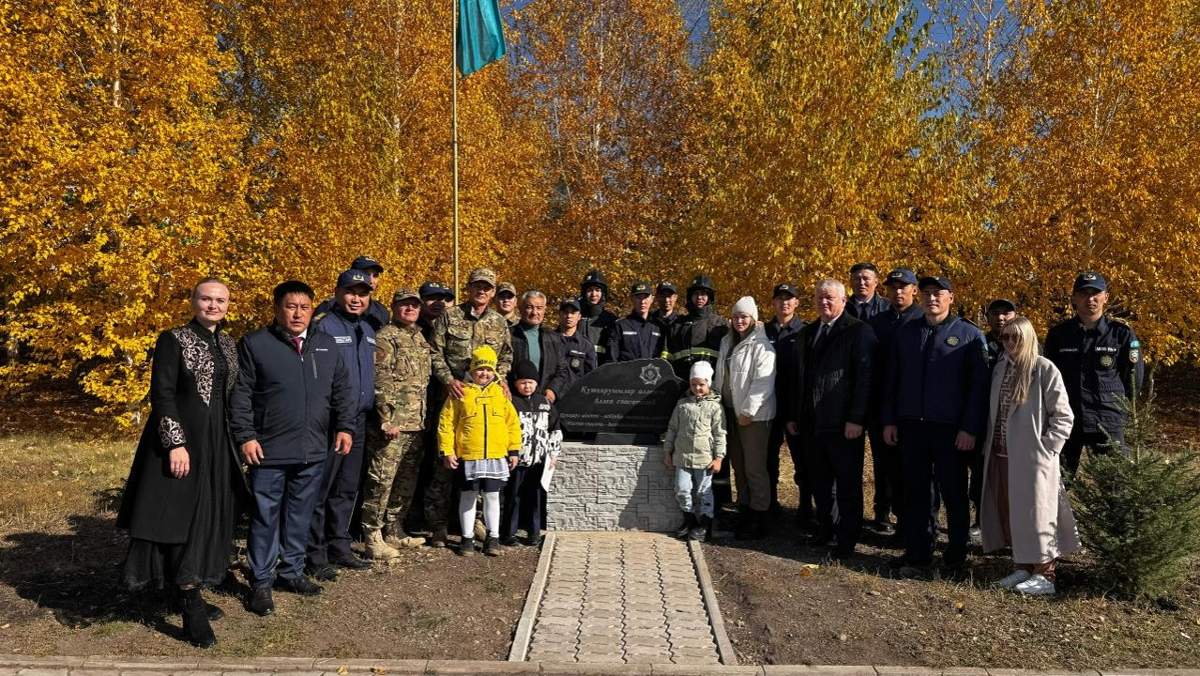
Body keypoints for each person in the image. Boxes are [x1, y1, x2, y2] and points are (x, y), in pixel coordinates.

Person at [116, 279, 243, 648]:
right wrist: (175, 443)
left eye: (220, 300)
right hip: (181, 444)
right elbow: (163, 395)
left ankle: (190, 586)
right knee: (176, 518)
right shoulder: (173, 339)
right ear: (193, 301)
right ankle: (189, 603)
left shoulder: (229, 344)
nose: (213, 305)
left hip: (218, 445)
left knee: (206, 516)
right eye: (206, 298)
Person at [230, 280, 354, 616]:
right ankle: (261, 581)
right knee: (265, 516)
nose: (297, 313)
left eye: (304, 307)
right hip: (268, 449)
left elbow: (342, 390)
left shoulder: (326, 345)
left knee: (300, 514)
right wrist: (246, 435)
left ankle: (292, 571)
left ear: (313, 310)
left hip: (313, 449)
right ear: (276, 308)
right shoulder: (256, 344)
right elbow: (241, 394)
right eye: (290, 306)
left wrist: (345, 426)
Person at [882, 276, 989, 577]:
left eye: (938, 294)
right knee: (916, 493)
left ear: (951, 298)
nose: (931, 299)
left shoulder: (969, 335)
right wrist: (890, 419)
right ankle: (919, 552)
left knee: (953, 493)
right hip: (912, 427)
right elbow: (892, 379)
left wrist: (969, 428)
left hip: (951, 431)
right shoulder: (906, 333)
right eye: (926, 294)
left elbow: (978, 388)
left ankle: (956, 554)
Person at [980, 316, 1079, 596]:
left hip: (1033, 458)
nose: (1010, 342)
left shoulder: (1044, 369)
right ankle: (1022, 566)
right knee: (1011, 511)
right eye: (1005, 337)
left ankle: (1045, 574)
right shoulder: (1000, 367)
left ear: (1029, 338)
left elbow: (1063, 416)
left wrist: (1048, 449)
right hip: (1001, 453)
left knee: (1039, 514)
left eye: (1016, 337)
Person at [787, 280, 875, 559]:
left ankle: (846, 539)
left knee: (847, 485)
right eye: (820, 298)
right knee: (819, 482)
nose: (824, 302)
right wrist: (795, 415)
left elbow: (865, 379)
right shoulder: (809, 333)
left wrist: (856, 418)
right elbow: (800, 378)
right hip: (813, 422)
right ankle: (825, 530)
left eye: (830, 298)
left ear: (843, 300)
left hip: (843, 423)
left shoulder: (858, 331)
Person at [427, 268, 514, 546]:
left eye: (487, 287)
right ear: (469, 288)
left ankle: (475, 524)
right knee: (444, 466)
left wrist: (499, 380)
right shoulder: (449, 317)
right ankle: (438, 526)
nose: (482, 291)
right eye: (477, 286)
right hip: (454, 398)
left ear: (492, 291)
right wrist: (448, 379)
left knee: (482, 468)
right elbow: (434, 352)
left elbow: (506, 357)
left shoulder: (499, 322)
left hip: (487, 402)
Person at [306, 269, 377, 580]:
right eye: (351, 291)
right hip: (331, 422)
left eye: (363, 293)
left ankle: (340, 545)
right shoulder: (323, 326)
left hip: (359, 419)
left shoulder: (368, 328)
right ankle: (315, 553)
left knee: (347, 488)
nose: (357, 298)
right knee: (322, 488)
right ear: (337, 292)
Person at [1045, 272, 1144, 482]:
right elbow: (1048, 377)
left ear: (1105, 297)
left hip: (1107, 420)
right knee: (1057, 483)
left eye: (1095, 293)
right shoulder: (1059, 335)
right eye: (1083, 293)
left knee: (1114, 484)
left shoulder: (1121, 334)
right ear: (1073, 298)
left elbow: (1133, 380)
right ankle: (1056, 517)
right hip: (1067, 419)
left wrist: (1119, 409)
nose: (1090, 299)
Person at [361, 288, 436, 561]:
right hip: (392, 426)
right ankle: (372, 536)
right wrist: (386, 419)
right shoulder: (385, 338)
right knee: (380, 481)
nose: (410, 309)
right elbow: (380, 381)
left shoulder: (419, 338)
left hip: (416, 424)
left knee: (406, 480)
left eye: (414, 305)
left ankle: (395, 528)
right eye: (404, 305)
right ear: (394, 307)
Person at [438, 346, 522, 557]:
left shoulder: (501, 394)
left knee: (492, 496)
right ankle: (467, 538)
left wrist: (513, 450)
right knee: (468, 496)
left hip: (495, 455)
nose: (484, 373)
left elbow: (512, 423)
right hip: (469, 455)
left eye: (489, 369)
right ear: (472, 370)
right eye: (480, 369)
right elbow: (446, 423)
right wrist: (447, 450)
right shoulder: (461, 393)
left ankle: (493, 537)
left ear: (494, 371)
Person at [866, 268, 923, 537]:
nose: (898, 291)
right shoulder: (878, 322)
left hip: (914, 409)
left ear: (914, 290)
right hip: (883, 407)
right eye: (893, 287)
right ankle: (882, 511)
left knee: (911, 468)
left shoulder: (924, 320)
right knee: (884, 464)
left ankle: (909, 520)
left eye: (904, 286)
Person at [713, 296, 776, 539]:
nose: (739, 321)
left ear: (754, 319)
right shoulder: (727, 341)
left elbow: (763, 383)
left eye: (744, 317)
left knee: (754, 468)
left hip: (754, 417)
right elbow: (722, 376)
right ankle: (745, 510)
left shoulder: (762, 346)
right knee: (738, 466)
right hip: (730, 412)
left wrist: (748, 412)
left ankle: (761, 517)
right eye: (736, 316)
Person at [407, 281, 454, 537]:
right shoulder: (412, 329)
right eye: (433, 298)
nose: (440, 303)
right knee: (413, 466)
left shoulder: (450, 327)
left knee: (441, 467)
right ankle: (412, 518)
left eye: (446, 298)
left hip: (442, 408)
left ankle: (438, 520)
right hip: (414, 410)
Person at [501, 359, 563, 547]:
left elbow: (555, 429)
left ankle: (533, 533)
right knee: (513, 496)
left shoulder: (544, 403)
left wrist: (553, 454)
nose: (527, 386)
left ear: (536, 383)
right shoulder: (511, 403)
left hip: (539, 461)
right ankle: (508, 533)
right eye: (522, 382)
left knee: (535, 497)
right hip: (517, 460)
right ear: (515, 384)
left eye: (530, 382)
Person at [664, 361, 726, 542]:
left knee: (703, 492)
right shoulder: (682, 405)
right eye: (693, 384)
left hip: (704, 458)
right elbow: (672, 429)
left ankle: (705, 524)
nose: (697, 388)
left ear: (709, 383)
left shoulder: (715, 407)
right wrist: (668, 452)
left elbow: (720, 433)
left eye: (701, 384)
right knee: (682, 489)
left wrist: (719, 457)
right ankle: (688, 520)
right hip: (682, 457)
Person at [764, 282, 807, 520]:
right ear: (773, 303)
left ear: (796, 303)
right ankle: (770, 505)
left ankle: (804, 508)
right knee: (768, 459)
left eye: (789, 298)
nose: (784, 303)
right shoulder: (762, 331)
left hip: (795, 407)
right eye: (780, 298)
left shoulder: (805, 332)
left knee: (801, 459)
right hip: (769, 405)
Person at [510, 290, 569, 401]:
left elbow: (562, 370)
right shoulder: (509, 335)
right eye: (529, 307)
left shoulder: (553, 338)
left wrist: (553, 390)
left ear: (544, 310)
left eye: (539, 308)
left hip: (544, 400)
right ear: (520, 309)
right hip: (515, 400)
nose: (534, 312)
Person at [666, 274, 728, 380]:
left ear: (710, 297)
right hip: (680, 382)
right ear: (690, 296)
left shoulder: (720, 323)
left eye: (703, 294)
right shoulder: (677, 324)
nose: (699, 297)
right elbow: (667, 355)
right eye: (696, 294)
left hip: (710, 383)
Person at [316, 256, 390, 331]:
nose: (371, 280)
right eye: (366, 274)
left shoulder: (381, 311)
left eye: (375, 275)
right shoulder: (329, 307)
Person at [607, 281, 666, 362]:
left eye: (645, 297)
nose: (642, 302)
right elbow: (612, 358)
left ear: (652, 299)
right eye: (638, 297)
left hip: (651, 373)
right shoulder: (621, 325)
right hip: (627, 373)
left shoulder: (659, 327)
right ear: (632, 299)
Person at [578, 269, 619, 364]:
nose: (593, 294)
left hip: (601, 370)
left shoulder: (611, 319)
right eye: (590, 290)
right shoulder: (575, 316)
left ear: (603, 293)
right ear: (584, 293)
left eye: (597, 290)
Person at [556, 298, 597, 391]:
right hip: (551, 395)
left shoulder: (586, 345)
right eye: (565, 312)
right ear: (559, 315)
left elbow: (591, 377)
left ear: (579, 317)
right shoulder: (549, 340)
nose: (569, 316)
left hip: (575, 395)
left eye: (573, 313)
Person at [984, 299, 1018, 369]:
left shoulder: (1027, 344)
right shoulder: (979, 344)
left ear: (1016, 316)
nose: (1000, 318)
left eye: (1006, 313)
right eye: (995, 313)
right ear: (987, 317)